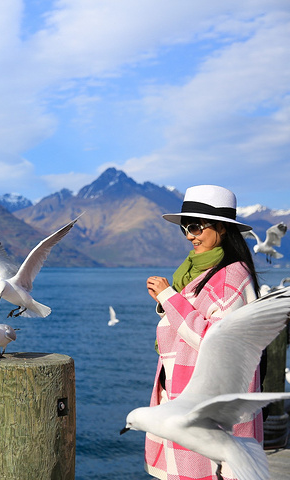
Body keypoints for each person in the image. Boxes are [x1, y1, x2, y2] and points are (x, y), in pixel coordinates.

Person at [144, 185, 261, 480]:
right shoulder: (200, 272)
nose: (189, 235)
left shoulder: (231, 277)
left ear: (221, 227)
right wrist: (166, 301)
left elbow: (216, 340)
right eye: (185, 227)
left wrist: (169, 297)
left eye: (195, 226)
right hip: (187, 396)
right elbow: (196, 315)